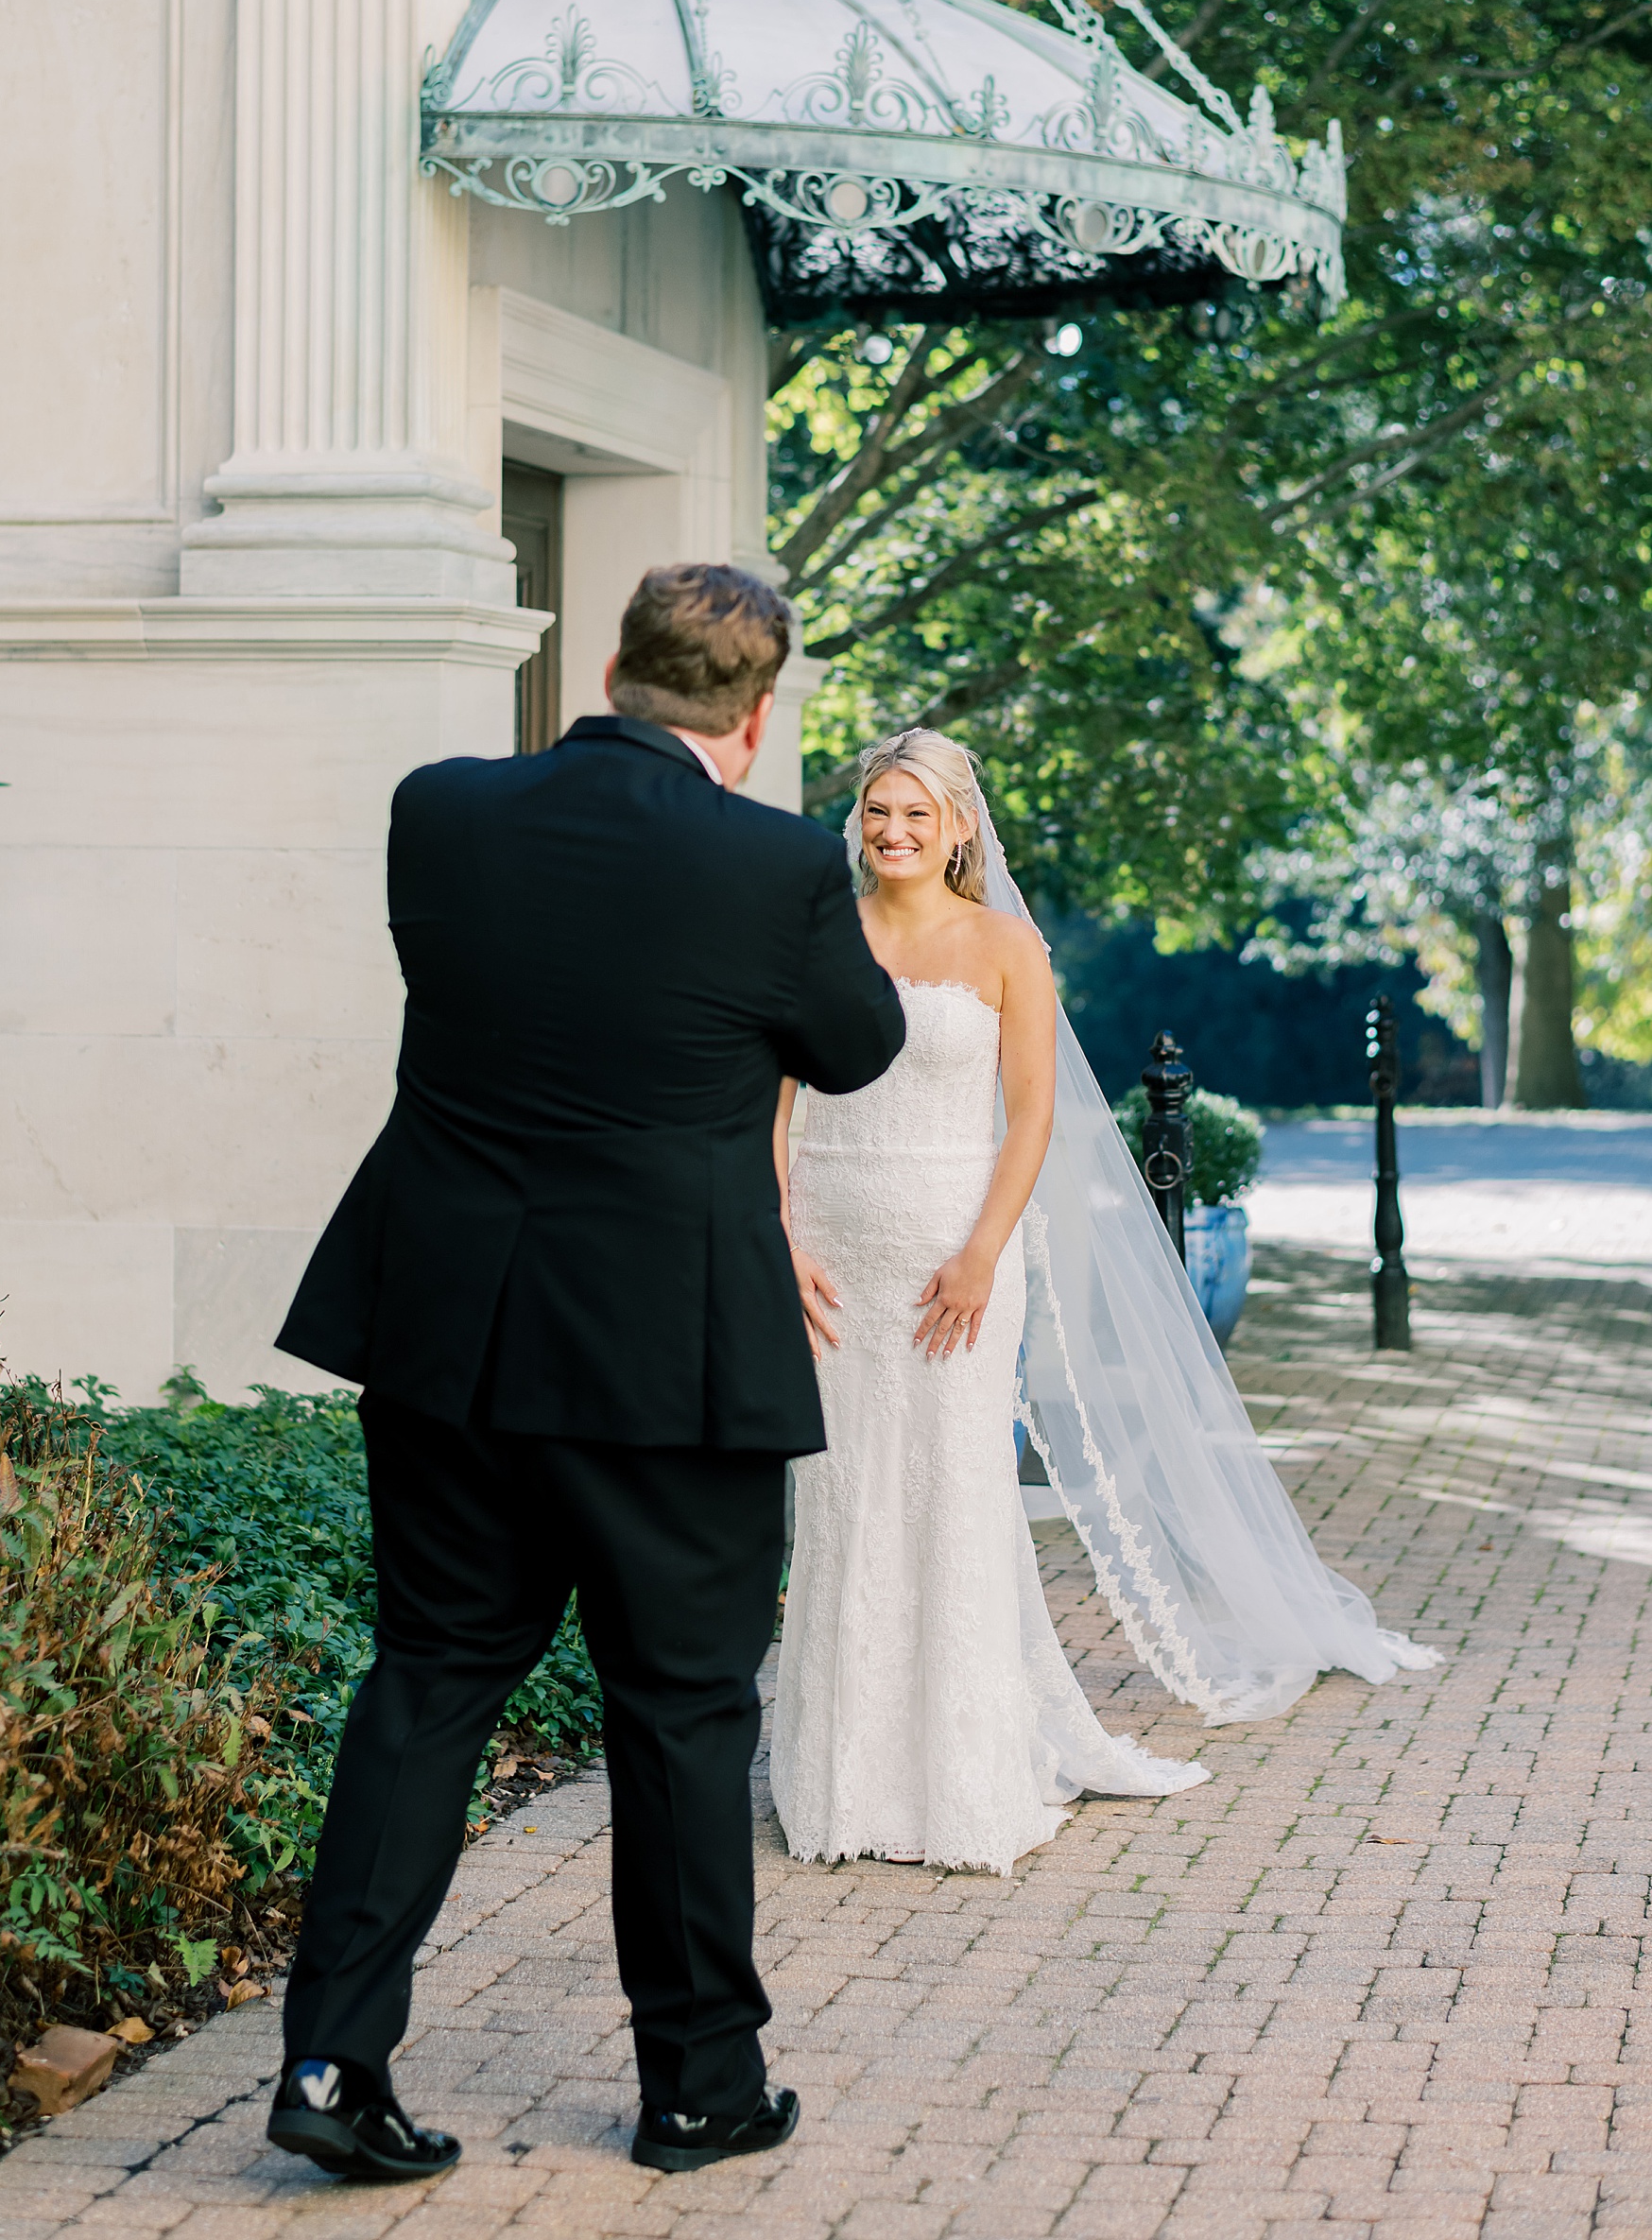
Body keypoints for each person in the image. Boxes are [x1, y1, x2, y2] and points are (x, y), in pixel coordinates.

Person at [266, 566, 906, 2180]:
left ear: (608, 667)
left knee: (427, 1683)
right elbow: (856, 1047)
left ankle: (334, 2068)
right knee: (683, 1711)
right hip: (664, 1355)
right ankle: (697, 2089)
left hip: (450, 1332)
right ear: (753, 722)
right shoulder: (773, 863)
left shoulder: (443, 811)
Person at [771, 729, 1440, 1877]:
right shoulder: (817, 937)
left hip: (950, 1254)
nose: (891, 833)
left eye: (915, 815)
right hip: (829, 1259)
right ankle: (839, 1775)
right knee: (838, 1500)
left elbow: (1030, 1116)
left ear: (959, 827)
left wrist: (985, 1250)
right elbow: (770, 1101)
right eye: (877, 812)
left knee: (948, 1494)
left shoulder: (1002, 945)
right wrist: (779, 1234)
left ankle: (955, 1776)